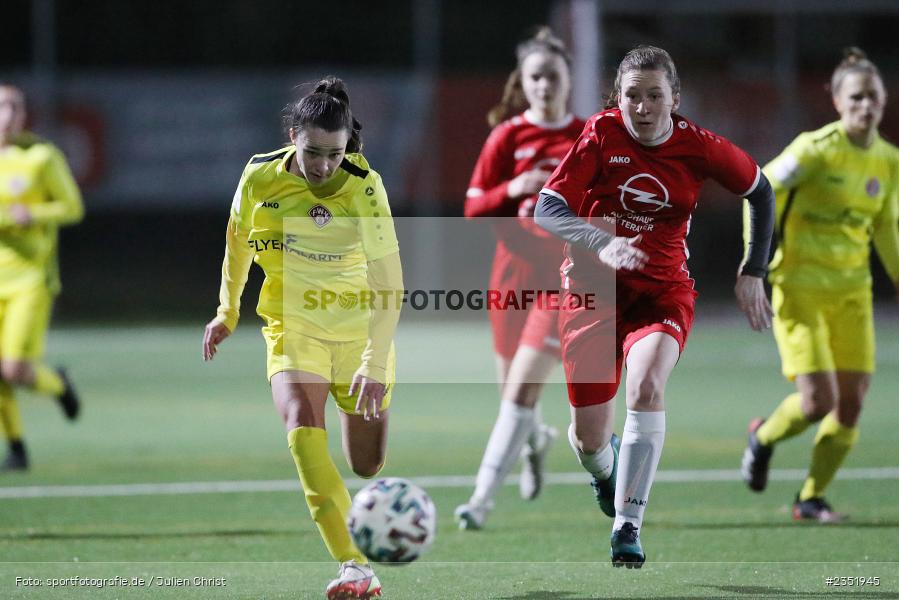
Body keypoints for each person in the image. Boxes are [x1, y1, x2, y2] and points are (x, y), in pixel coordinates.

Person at [533, 46, 775, 567]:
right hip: (591, 293)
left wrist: (754, 268)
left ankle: (628, 525)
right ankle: (605, 471)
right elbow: (547, 208)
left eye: (653, 96)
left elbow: (760, 190)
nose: (641, 108)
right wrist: (600, 242)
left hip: (662, 291)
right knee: (588, 437)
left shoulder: (699, 148)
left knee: (647, 385)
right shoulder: (601, 134)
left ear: (675, 99)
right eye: (631, 96)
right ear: (616, 98)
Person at [202, 76, 402, 600]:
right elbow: (237, 242)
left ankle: (359, 528)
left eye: (334, 154)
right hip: (293, 326)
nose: (323, 166)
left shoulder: (363, 185)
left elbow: (390, 282)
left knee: (366, 464)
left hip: (359, 333)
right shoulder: (259, 179)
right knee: (299, 423)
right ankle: (355, 566)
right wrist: (227, 311)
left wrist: (375, 364)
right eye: (313, 152)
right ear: (293, 136)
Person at [741, 48, 899, 523]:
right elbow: (759, 188)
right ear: (836, 100)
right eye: (856, 97)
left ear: (885, 99)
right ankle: (763, 437)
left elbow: (888, 227)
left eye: (873, 96)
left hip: (853, 293)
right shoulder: (813, 149)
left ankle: (811, 498)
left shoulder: (889, 161)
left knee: (851, 404)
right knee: (819, 402)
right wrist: (756, 264)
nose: (865, 106)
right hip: (801, 289)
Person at [454, 27, 585, 531]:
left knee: (519, 394)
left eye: (553, 76)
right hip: (511, 277)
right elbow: (472, 208)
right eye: (536, 77)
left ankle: (480, 500)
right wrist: (516, 186)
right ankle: (535, 442)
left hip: (565, 282)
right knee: (513, 391)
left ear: (568, 79)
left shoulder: (587, 134)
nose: (545, 86)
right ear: (523, 82)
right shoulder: (507, 136)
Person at [0, 84, 83, 471]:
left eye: (14, 107)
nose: (8, 114)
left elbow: (71, 207)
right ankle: (16, 448)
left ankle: (58, 384)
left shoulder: (40, 157)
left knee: (12, 369)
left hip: (30, 279)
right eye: (2, 107)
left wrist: (33, 215)